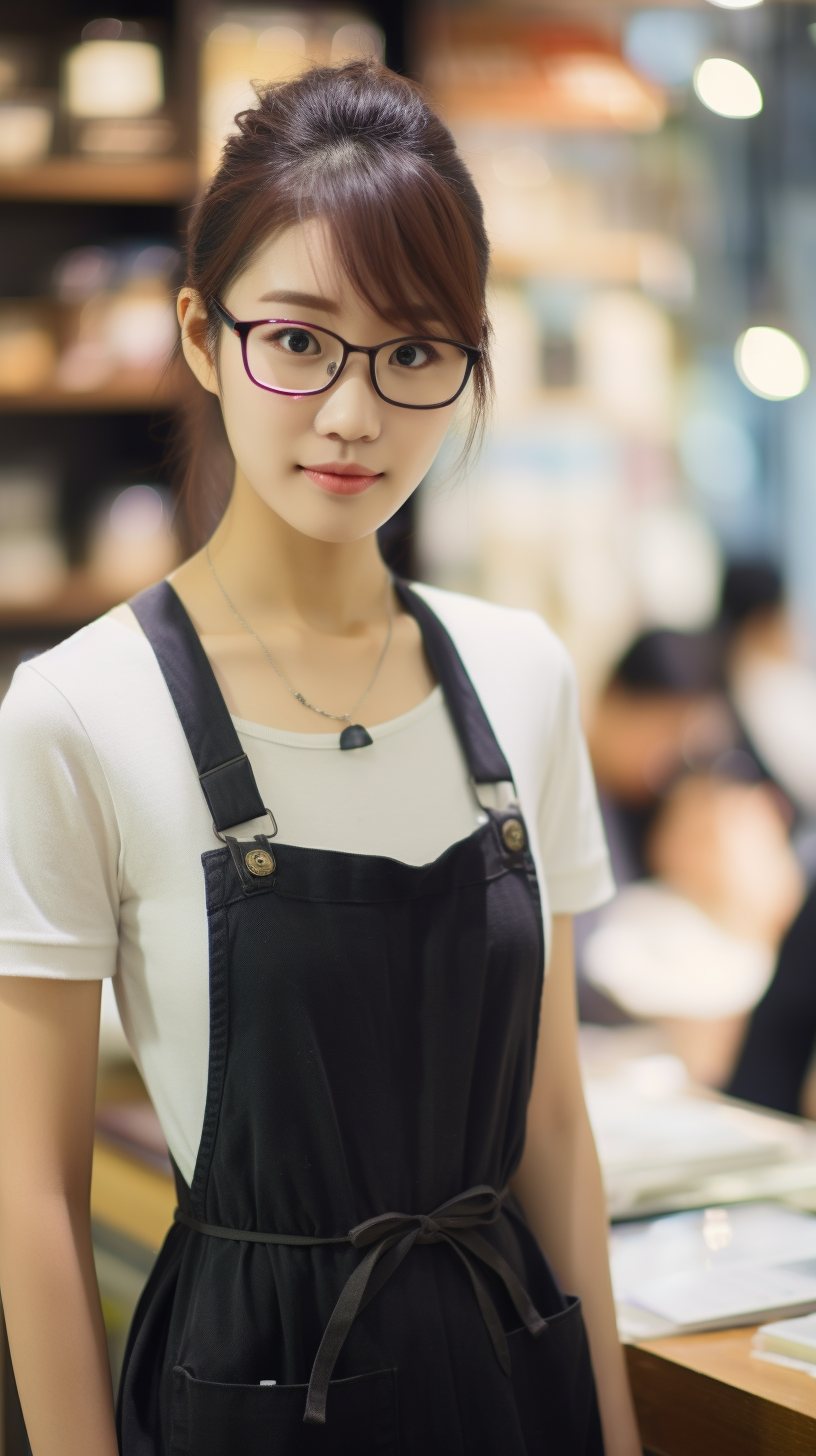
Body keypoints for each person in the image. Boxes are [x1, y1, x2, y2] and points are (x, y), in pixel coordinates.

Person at [0, 63, 639, 1456]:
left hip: (509, 1384)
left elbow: (551, 1130)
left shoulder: (518, 675)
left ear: (470, 359)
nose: (353, 413)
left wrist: (618, 1435)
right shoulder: (77, 711)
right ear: (199, 333)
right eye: (299, 340)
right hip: (248, 1398)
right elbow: (29, 1195)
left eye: (413, 353)